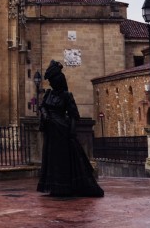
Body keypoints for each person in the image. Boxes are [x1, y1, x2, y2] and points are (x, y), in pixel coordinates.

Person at [36, 60, 104, 197]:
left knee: (63, 160)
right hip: (51, 132)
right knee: (52, 160)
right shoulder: (48, 94)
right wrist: (45, 115)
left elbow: (74, 115)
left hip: (62, 132)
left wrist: (71, 132)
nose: (51, 83)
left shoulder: (66, 96)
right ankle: (54, 187)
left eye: (53, 81)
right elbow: (42, 106)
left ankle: (65, 187)